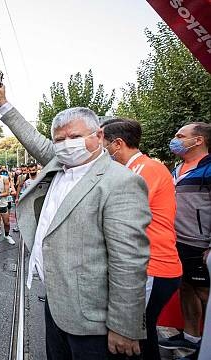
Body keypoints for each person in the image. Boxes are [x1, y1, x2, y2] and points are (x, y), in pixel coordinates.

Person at [0, 83, 151, 358]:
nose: (66, 145)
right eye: (59, 140)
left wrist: (125, 326)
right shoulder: (60, 163)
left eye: (74, 136)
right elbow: (33, 139)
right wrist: (3, 103)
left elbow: (128, 261)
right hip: (57, 306)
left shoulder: (121, 182)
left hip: (94, 322)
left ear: (99, 136)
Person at [101, 118, 182, 360]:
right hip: (147, 265)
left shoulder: (147, 170)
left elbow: (121, 213)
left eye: (103, 142)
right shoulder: (132, 169)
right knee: (143, 335)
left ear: (117, 144)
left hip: (153, 266)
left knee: (133, 337)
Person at [159, 122, 211, 354]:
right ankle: (191, 338)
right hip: (176, 241)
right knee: (186, 288)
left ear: (198, 140)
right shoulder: (177, 169)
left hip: (201, 244)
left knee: (204, 293)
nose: (175, 139)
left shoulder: (209, 169)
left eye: (181, 135)